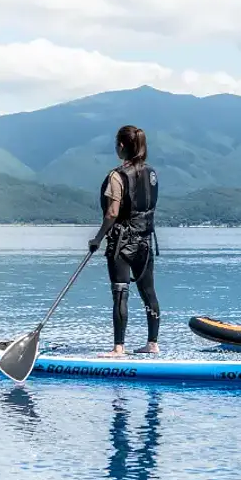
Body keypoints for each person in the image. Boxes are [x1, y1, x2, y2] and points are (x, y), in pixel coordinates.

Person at [89, 125, 160, 357]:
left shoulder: (116, 176)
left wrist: (97, 239)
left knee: (120, 293)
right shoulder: (152, 174)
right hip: (145, 243)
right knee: (148, 291)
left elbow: (112, 213)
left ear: (121, 146)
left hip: (121, 243)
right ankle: (152, 343)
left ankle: (118, 347)